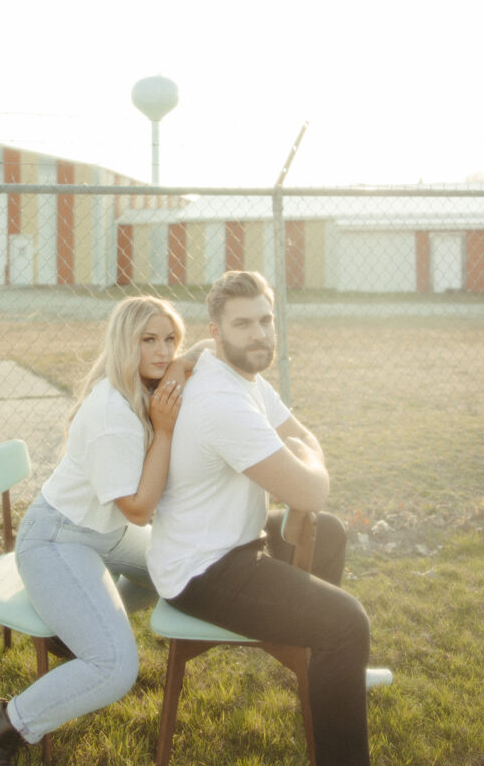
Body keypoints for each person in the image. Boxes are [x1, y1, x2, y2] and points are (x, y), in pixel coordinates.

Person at [0, 294, 203, 766]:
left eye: (171, 339)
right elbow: (139, 509)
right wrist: (166, 432)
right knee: (114, 667)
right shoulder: (113, 416)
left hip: (100, 534)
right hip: (58, 538)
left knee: (178, 568)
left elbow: (201, 353)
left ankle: (74, 633)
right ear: (122, 344)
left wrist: (185, 364)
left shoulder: (144, 391)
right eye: (148, 340)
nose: (163, 351)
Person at [147, 270, 381, 766]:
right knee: (347, 623)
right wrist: (307, 461)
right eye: (242, 324)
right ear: (215, 331)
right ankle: (336, 682)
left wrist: (304, 455)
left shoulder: (238, 375)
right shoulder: (222, 402)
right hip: (203, 569)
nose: (259, 334)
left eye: (265, 320)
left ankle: (326, 677)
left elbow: (304, 437)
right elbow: (310, 488)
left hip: (233, 541)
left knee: (332, 534)